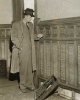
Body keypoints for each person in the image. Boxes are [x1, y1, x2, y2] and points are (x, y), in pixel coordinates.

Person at [11, 8, 36, 93]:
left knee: (30, 67)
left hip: (30, 49)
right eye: (31, 17)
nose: (31, 18)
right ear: (27, 16)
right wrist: (20, 46)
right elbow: (13, 37)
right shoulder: (16, 24)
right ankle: (22, 86)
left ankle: (29, 84)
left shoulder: (31, 25)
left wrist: (37, 36)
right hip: (22, 49)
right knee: (23, 68)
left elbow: (31, 36)